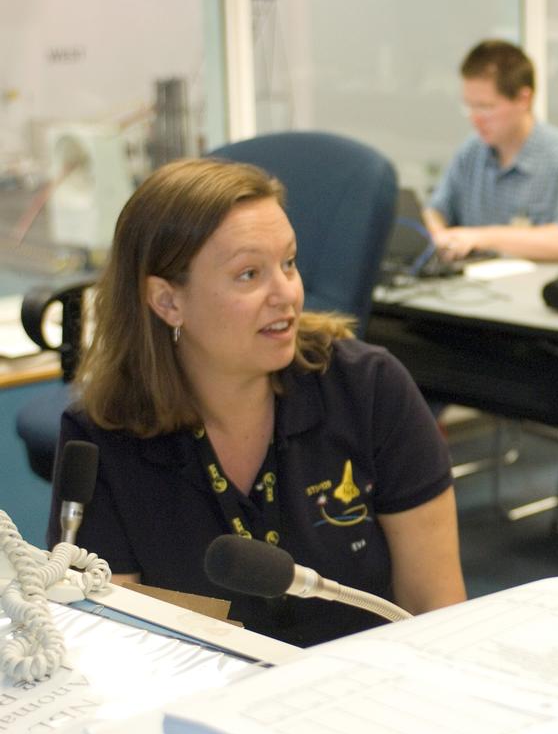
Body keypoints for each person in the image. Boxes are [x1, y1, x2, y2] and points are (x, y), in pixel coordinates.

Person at [49, 157, 466, 647]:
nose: (286, 293)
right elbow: (113, 645)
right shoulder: (102, 435)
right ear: (167, 302)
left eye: (288, 263)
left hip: (367, 696)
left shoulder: (369, 389)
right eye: (249, 274)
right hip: (196, 708)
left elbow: (439, 612)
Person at [426, 39, 558, 265]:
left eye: (486, 107)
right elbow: (435, 212)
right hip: (475, 289)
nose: (475, 118)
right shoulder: (471, 152)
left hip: (538, 292)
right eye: (469, 106)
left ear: (523, 99)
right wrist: (438, 235)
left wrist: (481, 238)